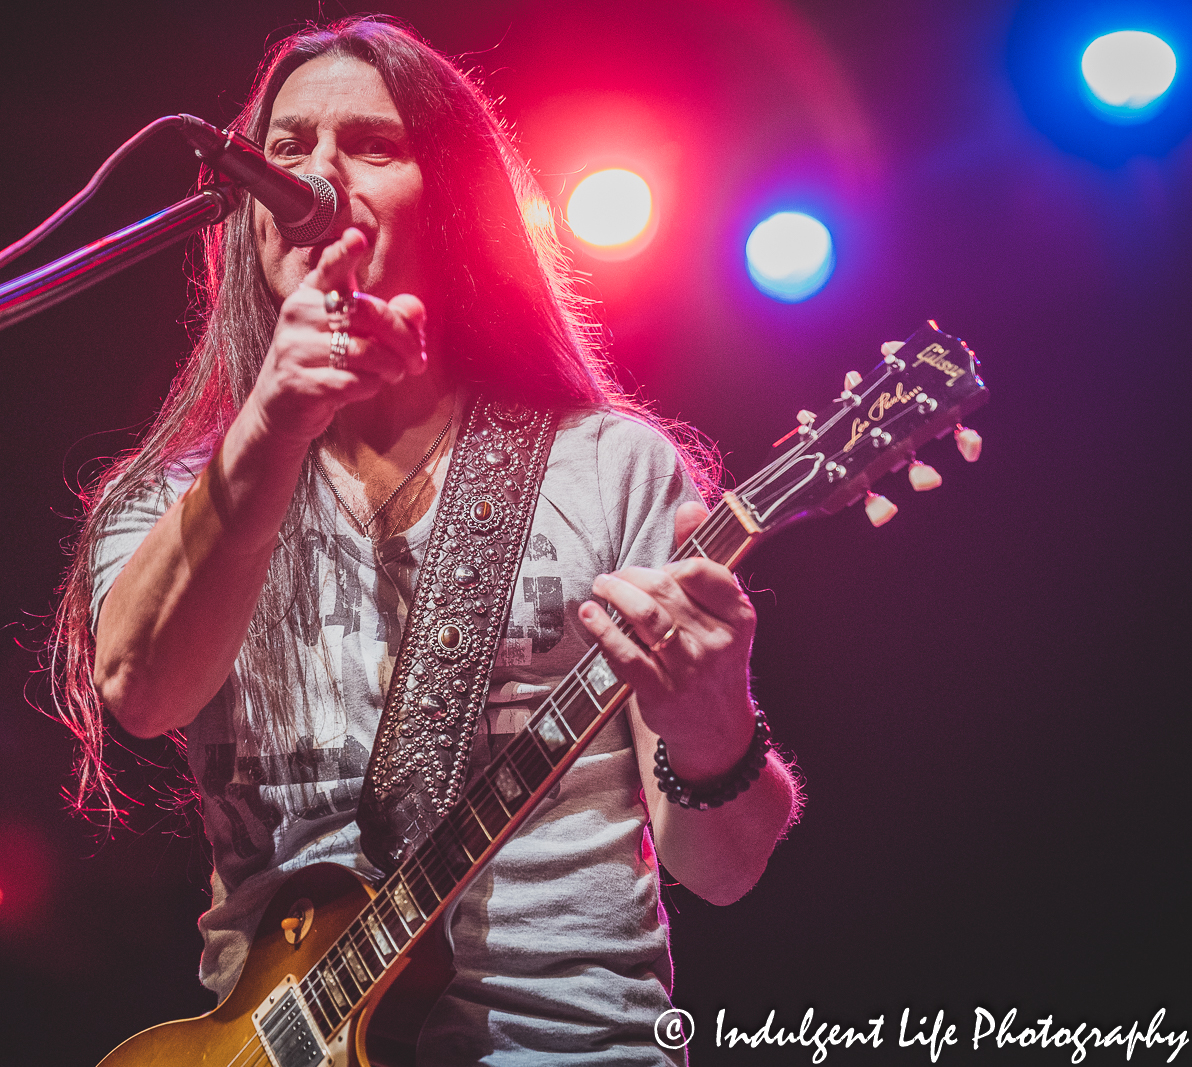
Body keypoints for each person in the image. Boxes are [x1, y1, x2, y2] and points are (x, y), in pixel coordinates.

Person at [52, 15, 800, 1065]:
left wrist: (714, 720)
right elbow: (141, 689)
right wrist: (273, 418)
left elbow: (721, 868)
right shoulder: (170, 497)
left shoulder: (610, 467)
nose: (317, 177)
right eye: (286, 148)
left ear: (451, 202)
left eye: (370, 146)